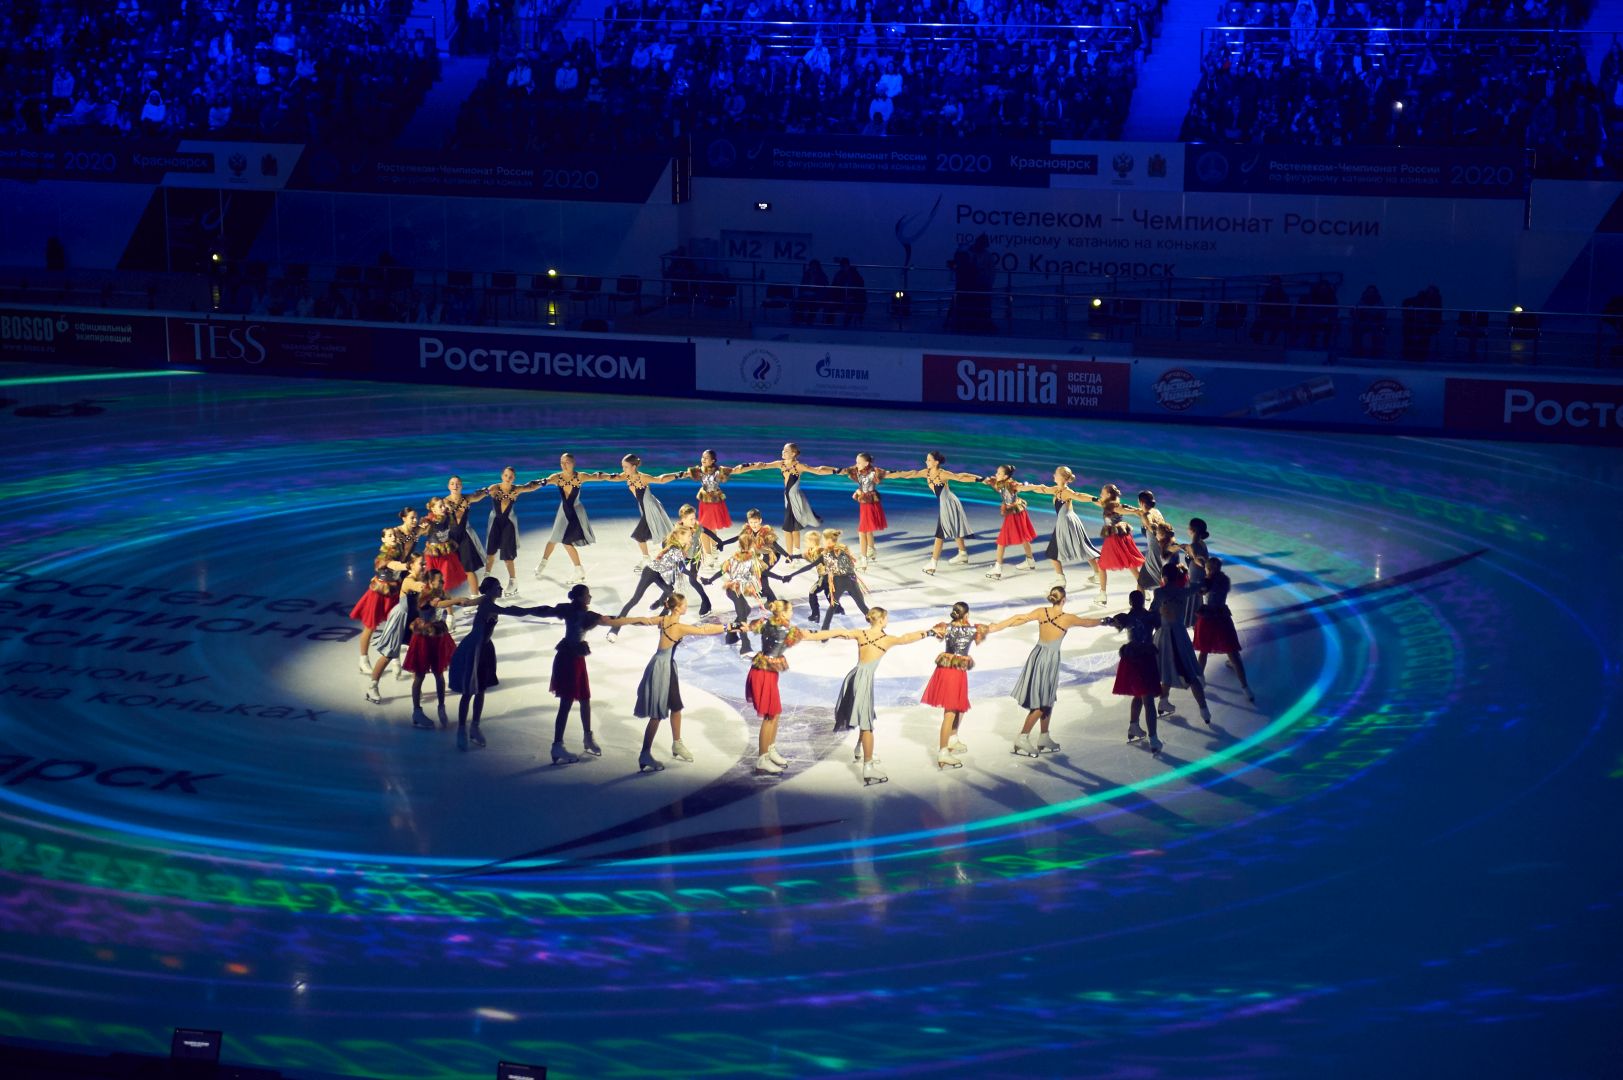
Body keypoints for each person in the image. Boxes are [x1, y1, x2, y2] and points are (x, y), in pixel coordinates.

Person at [804, 608, 933, 786]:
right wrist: (930, 632)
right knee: (867, 724)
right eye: (886, 617)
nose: (887, 620)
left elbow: (838, 633)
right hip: (863, 680)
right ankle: (868, 766)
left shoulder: (861, 633)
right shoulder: (886, 639)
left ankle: (860, 749)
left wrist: (809, 635)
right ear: (881, 620)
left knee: (867, 713)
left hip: (854, 676)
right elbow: (906, 638)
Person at [530, 584, 656, 763]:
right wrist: (642, 620)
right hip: (569, 659)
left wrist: (509, 610)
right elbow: (613, 621)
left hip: (574, 657)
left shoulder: (569, 610)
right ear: (581, 597)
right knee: (566, 703)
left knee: (584, 698)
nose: (590, 597)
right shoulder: (585, 615)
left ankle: (587, 738)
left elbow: (541, 610)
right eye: (588, 595)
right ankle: (557, 745)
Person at [993, 587, 1106, 756]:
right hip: (1049, 659)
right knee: (1042, 703)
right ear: (1064, 600)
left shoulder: (1041, 611)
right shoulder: (1067, 618)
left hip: (1037, 654)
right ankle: (1022, 737)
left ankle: (1044, 737)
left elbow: (1020, 619)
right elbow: (1087, 622)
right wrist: (1105, 620)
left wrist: (1000, 625)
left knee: (1048, 698)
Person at [631, 593, 729, 771]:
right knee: (657, 714)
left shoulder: (664, 619)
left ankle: (677, 743)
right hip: (663, 667)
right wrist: (730, 626)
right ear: (677, 607)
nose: (686, 607)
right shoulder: (677, 626)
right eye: (684, 604)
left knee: (675, 706)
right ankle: (645, 753)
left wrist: (624, 621)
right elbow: (704, 630)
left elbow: (643, 621)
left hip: (667, 665)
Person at [920, 601, 1011, 770]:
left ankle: (953, 738)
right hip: (953, 673)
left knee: (960, 705)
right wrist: (1020, 619)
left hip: (947, 669)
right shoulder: (971, 630)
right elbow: (996, 627)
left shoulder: (945, 627)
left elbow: (927, 633)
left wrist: (923, 633)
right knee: (950, 711)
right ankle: (943, 752)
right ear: (966, 615)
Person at [738, 599, 808, 774]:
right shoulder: (787, 630)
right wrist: (835, 633)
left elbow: (750, 627)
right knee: (770, 715)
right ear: (783, 613)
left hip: (767, 671)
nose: (792, 613)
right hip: (763, 673)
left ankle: (770, 750)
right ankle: (762, 759)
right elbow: (809, 635)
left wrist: (745, 627)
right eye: (790, 611)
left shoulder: (767, 622)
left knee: (775, 713)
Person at [889, 451, 979, 575]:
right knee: (954, 527)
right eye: (926, 460)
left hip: (949, 503)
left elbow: (960, 477)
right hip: (947, 503)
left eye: (929, 460)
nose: (926, 462)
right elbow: (911, 474)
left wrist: (980, 479)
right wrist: (888, 474)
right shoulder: (926, 473)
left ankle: (933, 563)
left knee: (940, 534)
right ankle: (962, 554)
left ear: (936, 462)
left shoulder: (943, 474)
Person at [534, 452, 613, 584]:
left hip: (576, 512)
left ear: (573, 463)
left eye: (567, 462)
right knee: (553, 539)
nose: (564, 465)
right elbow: (545, 481)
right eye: (562, 462)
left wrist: (609, 476)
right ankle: (543, 563)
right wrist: (537, 483)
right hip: (563, 511)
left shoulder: (580, 476)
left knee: (566, 542)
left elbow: (596, 476)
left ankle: (578, 570)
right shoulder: (557, 477)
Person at [1102, 591, 1164, 753]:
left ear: (1130, 602)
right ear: (1143, 601)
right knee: (1148, 699)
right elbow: (1162, 625)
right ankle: (1153, 738)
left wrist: (1106, 621)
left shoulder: (1127, 618)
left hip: (1132, 658)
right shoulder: (1150, 616)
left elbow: (1112, 622)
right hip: (1145, 659)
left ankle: (1134, 726)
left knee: (1140, 694)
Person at [1192, 557, 1254, 702]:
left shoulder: (1207, 581)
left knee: (1204, 651)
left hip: (1208, 618)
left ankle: (1200, 679)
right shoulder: (1225, 580)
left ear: (1208, 569)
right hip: (1222, 616)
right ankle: (1246, 688)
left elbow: (1200, 592)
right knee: (1233, 653)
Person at [483, 467, 545, 596]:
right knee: (490, 552)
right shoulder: (495, 488)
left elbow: (530, 487)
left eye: (511, 476)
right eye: (506, 475)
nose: (508, 478)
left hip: (508, 524)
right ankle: (485, 578)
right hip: (495, 523)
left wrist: (541, 482)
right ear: (502, 476)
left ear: (514, 478)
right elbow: (485, 492)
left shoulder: (515, 490)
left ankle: (513, 582)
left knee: (507, 555)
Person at [612, 453, 680, 566]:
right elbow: (616, 477)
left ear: (633, 467)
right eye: (622, 466)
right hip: (644, 507)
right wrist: (602, 475)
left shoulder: (642, 477)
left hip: (651, 507)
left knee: (641, 535)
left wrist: (678, 475)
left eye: (626, 467)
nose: (623, 469)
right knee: (659, 533)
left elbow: (660, 480)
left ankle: (649, 558)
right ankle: (663, 555)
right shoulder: (627, 475)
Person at [982, 465, 1038, 579]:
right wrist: (988, 482)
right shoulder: (1000, 482)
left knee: (1001, 540)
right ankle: (1030, 561)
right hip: (1018, 512)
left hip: (1014, 513)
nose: (996, 474)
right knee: (1023, 537)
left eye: (999, 473)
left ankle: (998, 567)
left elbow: (1021, 487)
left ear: (1006, 476)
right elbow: (997, 487)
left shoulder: (1011, 484)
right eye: (997, 472)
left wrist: (1035, 487)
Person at [843, 452, 888, 566]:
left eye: (858, 462)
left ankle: (863, 558)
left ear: (866, 463)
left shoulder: (874, 473)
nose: (856, 464)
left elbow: (889, 474)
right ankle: (871, 550)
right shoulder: (859, 472)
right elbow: (846, 472)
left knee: (862, 531)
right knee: (867, 529)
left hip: (869, 503)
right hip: (865, 503)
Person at [831, 257, 867, 326]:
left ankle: (846, 325)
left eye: (845, 266)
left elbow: (860, 288)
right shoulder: (838, 275)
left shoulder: (855, 275)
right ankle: (829, 325)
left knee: (850, 306)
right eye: (842, 266)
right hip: (840, 297)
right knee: (830, 305)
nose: (843, 267)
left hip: (853, 298)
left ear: (848, 265)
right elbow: (834, 287)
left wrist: (852, 296)